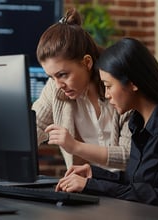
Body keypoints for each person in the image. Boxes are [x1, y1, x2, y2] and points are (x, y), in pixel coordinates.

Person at [55, 37, 158, 215]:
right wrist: (95, 174)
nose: (107, 95)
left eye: (108, 86)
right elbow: (137, 182)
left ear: (132, 83)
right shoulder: (137, 122)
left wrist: (91, 186)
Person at [32, 8, 132, 169]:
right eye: (51, 77)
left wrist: (75, 146)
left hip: (125, 189)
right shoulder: (55, 89)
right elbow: (32, 128)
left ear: (87, 62)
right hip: (88, 187)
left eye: (63, 74)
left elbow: (129, 156)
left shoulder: (120, 87)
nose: (58, 85)